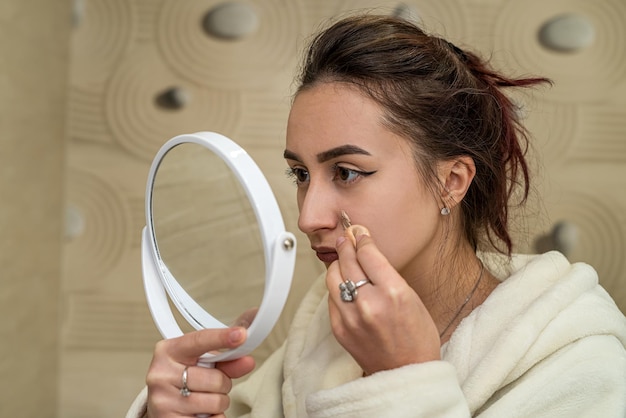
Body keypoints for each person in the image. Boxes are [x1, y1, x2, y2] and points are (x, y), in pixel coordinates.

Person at [127, 13, 626, 418]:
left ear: (452, 181)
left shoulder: (583, 370)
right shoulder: (324, 326)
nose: (309, 217)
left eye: (346, 172)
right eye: (300, 174)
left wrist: (404, 383)